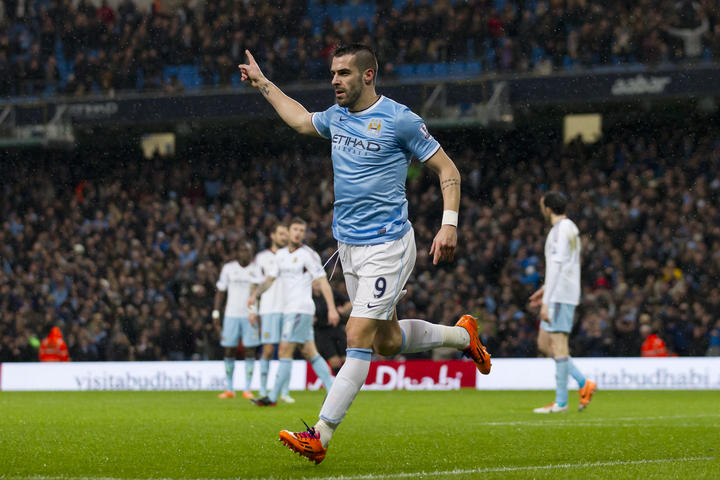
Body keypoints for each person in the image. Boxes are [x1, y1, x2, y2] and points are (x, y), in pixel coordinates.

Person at [239, 43, 491, 464]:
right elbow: (300, 119)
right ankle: (464, 336)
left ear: (368, 75)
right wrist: (263, 82)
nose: (334, 81)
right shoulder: (336, 117)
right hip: (349, 247)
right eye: (332, 74)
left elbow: (448, 169)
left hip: (388, 245)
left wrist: (449, 223)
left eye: (343, 73)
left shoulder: (399, 119)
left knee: (357, 337)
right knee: (387, 342)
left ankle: (320, 435)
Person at [250, 217, 340, 407]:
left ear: (304, 234)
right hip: (290, 310)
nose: (298, 233)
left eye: (301, 230)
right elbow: (270, 279)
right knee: (309, 352)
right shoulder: (281, 255)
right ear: (289, 232)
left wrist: (331, 308)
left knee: (284, 350)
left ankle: (272, 397)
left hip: (300, 309)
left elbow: (323, 281)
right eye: (295, 229)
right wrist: (255, 295)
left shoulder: (309, 255)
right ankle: (334, 391)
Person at [529, 191, 596, 413]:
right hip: (558, 292)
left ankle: (561, 402)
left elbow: (558, 266)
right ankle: (583, 383)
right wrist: (544, 290)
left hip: (560, 296)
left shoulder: (560, 230)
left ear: (548, 209)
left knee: (558, 346)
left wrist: (547, 301)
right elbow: (564, 265)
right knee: (544, 343)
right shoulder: (570, 228)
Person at [212, 242, 261, 400]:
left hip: (250, 315)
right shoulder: (229, 268)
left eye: (248, 250)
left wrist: (259, 314)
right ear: (237, 252)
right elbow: (220, 291)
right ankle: (229, 388)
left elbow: (260, 293)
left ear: (251, 253)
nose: (245, 253)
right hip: (231, 314)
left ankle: (247, 388)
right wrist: (215, 314)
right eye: (242, 250)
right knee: (229, 349)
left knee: (250, 350)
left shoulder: (256, 269)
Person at [253, 223, 295, 402]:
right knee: (268, 350)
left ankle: (284, 392)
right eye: (281, 234)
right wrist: (252, 309)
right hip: (269, 308)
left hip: (288, 309)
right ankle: (263, 390)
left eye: (286, 234)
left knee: (287, 350)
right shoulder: (261, 258)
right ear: (272, 235)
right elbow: (255, 284)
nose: (284, 237)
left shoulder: (292, 256)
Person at [313, 279, 352, 376]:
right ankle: (338, 381)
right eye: (314, 282)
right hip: (322, 331)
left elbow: (349, 303)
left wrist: (343, 310)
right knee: (334, 361)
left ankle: (347, 379)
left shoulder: (332, 293)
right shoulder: (310, 297)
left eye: (318, 281)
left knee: (346, 359)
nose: (317, 284)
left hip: (337, 328)